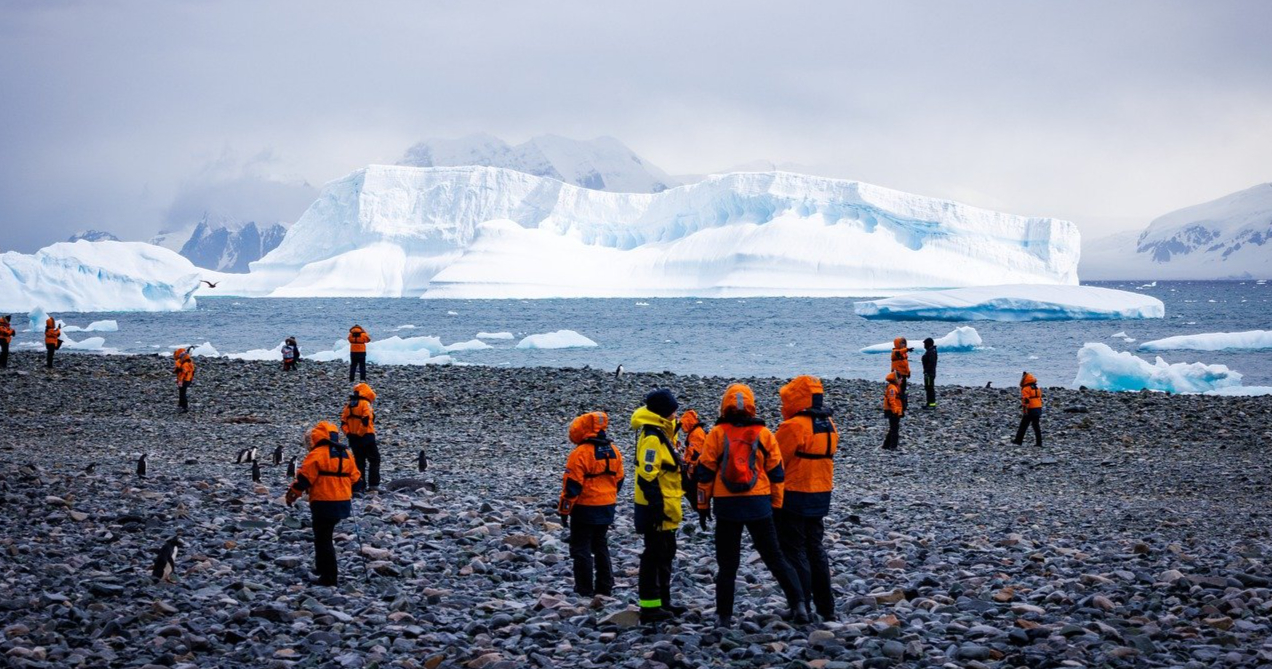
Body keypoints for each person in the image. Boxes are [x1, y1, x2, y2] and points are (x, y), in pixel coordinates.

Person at [694, 383, 809, 628]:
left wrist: (702, 507)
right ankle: (799, 606)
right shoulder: (763, 433)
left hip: (727, 505)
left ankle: (724, 617)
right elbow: (777, 473)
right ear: (751, 405)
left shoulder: (717, 433)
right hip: (758, 502)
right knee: (775, 557)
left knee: (727, 565)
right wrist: (776, 506)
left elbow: (704, 474)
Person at [775, 375, 839, 622]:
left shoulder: (793, 427)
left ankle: (800, 606)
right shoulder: (829, 423)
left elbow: (776, 460)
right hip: (821, 493)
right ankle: (826, 607)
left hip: (795, 493)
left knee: (794, 550)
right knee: (816, 549)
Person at [285, 421, 361, 587]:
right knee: (324, 535)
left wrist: (291, 496)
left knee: (323, 538)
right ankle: (321, 569)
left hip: (323, 502)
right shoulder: (346, 453)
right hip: (342, 503)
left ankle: (329, 577)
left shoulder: (317, 454)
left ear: (317, 437)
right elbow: (357, 481)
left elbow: (304, 480)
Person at [632, 388, 685, 624]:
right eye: (673, 409)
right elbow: (647, 476)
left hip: (668, 505)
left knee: (667, 553)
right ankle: (650, 607)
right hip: (655, 506)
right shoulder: (653, 437)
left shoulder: (664, 433)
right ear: (663, 412)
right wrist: (656, 508)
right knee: (654, 555)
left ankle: (664, 601)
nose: (676, 413)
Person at [558, 411, 625, 598]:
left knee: (581, 548)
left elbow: (572, 486)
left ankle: (584, 589)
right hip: (607, 506)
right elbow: (619, 480)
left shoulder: (580, 453)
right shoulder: (614, 451)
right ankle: (605, 586)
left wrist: (564, 510)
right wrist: (608, 496)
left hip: (585, 507)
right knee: (600, 545)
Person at [341, 382, 379, 494]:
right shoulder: (365, 404)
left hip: (353, 439)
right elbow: (366, 420)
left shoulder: (348, 406)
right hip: (367, 437)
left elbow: (343, 422)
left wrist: (349, 434)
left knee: (359, 461)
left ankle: (360, 486)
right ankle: (373, 486)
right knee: (374, 459)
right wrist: (360, 433)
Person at [677, 408, 707, 493]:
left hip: (696, 469)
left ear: (688, 422)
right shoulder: (696, 432)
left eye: (684, 424)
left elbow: (695, 454)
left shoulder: (696, 434)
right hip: (698, 467)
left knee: (691, 491)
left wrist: (690, 469)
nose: (682, 427)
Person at [1013, 372, 1043, 447]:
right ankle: (1039, 443)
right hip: (1038, 408)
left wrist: (1025, 409)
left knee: (1023, 425)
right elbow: (1039, 398)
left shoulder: (1026, 388)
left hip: (1030, 408)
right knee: (1036, 426)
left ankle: (1018, 441)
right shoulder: (1036, 387)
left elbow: (1026, 400)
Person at [890, 337, 913, 412]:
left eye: (904, 343)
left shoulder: (904, 354)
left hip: (903, 374)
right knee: (898, 390)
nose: (903, 344)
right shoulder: (895, 352)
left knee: (903, 389)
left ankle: (903, 405)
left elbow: (906, 364)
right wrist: (907, 349)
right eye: (901, 343)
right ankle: (896, 404)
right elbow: (899, 352)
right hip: (897, 375)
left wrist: (908, 372)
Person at [883, 372, 903, 451]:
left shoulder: (894, 387)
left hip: (894, 410)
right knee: (895, 429)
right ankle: (893, 446)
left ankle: (886, 445)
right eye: (900, 379)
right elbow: (892, 400)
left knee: (892, 428)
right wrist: (895, 411)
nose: (901, 380)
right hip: (892, 411)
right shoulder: (892, 388)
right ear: (896, 379)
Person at [173, 348, 195, 413]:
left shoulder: (185, 363)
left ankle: (184, 407)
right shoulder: (187, 361)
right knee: (181, 393)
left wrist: (180, 381)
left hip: (185, 380)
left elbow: (183, 372)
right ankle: (181, 405)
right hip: (186, 379)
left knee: (182, 393)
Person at [921, 337, 938, 408]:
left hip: (929, 373)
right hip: (929, 372)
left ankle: (931, 404)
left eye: (925, 343)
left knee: (929, 387)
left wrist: (927, 371)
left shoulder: (931, 352)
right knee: (928, 387)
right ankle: (929, 403)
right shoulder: (930, 351)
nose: (924, 345)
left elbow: (931, 362)